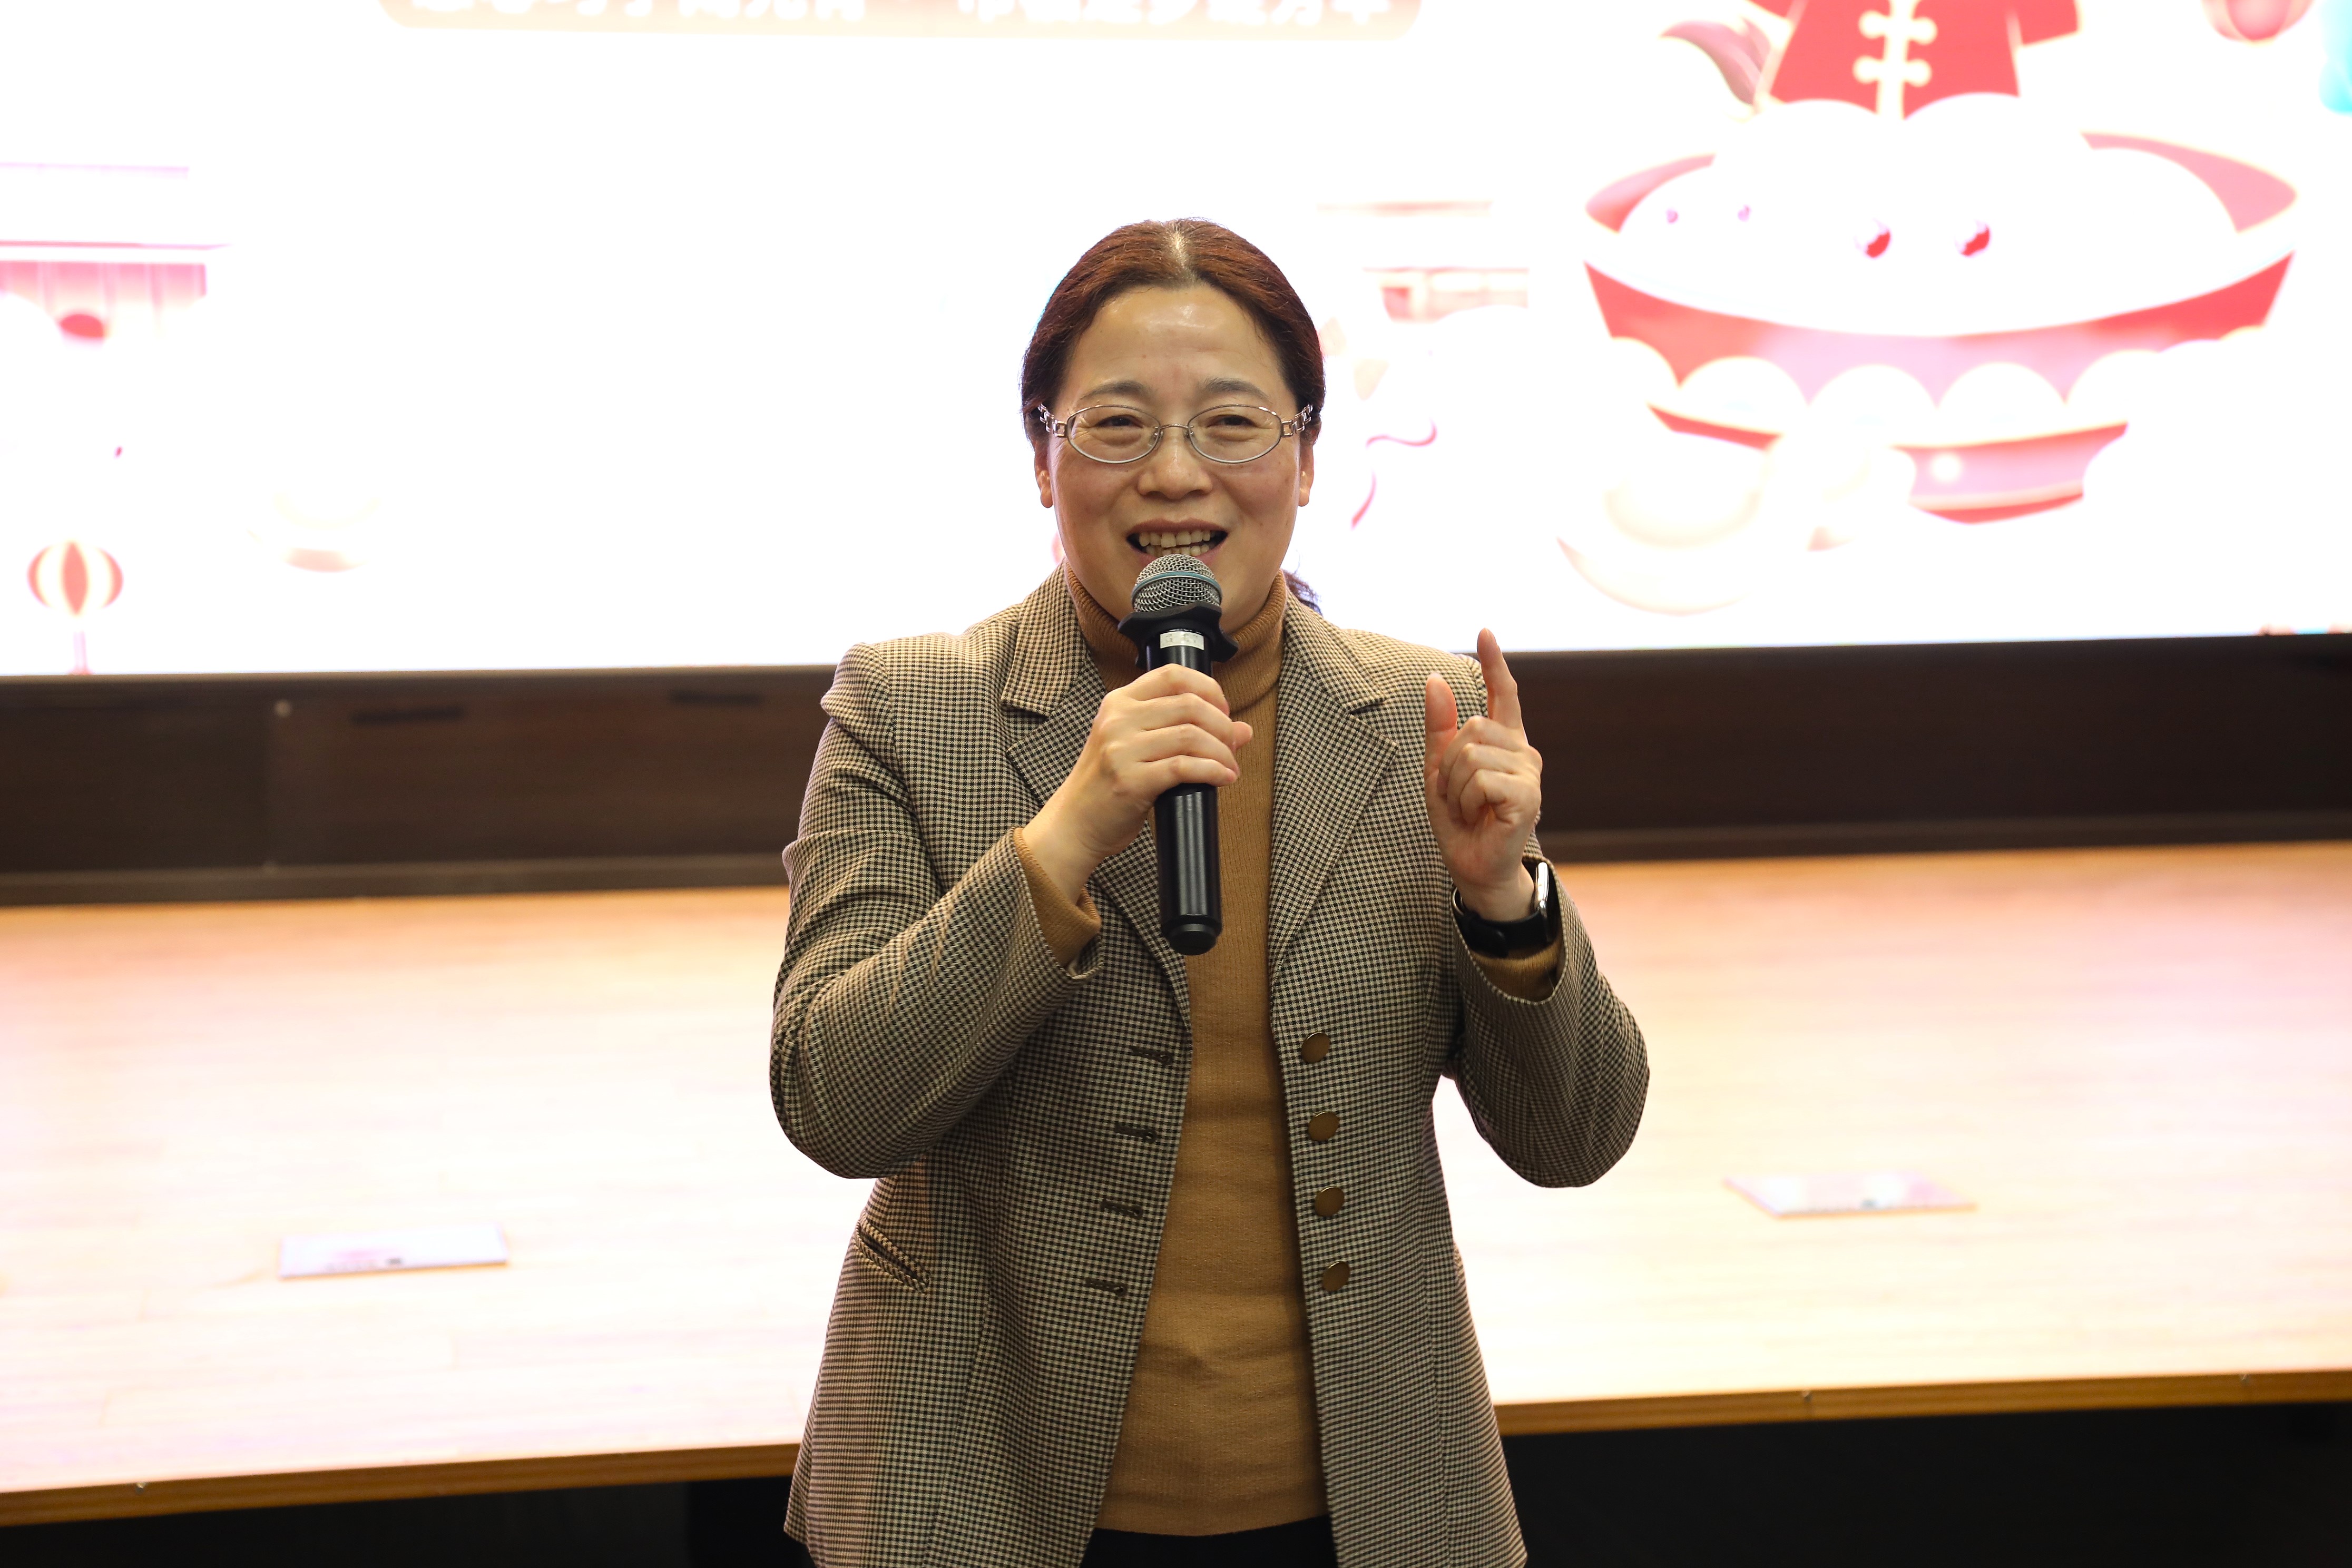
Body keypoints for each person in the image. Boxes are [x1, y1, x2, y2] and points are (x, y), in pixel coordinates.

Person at [770, 219, 1648, 1568]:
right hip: (982, 1497)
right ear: (1042, 456)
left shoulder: (1425, 718)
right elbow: (837, 1102)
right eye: (1117, 425)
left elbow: (1574, 1136)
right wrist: (1061, 840)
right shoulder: (911, 709)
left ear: (1307, 457)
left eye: (1232, 424)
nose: (1176, 474)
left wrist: (1505, 900)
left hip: (1361, 1510)